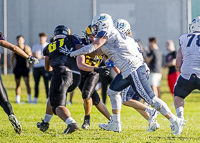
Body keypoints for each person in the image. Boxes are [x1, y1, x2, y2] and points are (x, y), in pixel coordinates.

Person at [69, 13, 185, 135]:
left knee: (151, 99)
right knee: (113, 91)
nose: (95, 30)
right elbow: (94, 53)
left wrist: (72, 53)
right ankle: (115, 123)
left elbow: (93, 48)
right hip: (127, 69)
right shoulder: (114, 37)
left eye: (97, 26)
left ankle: (175, 120)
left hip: (133, 68)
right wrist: (79, 50)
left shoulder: (108, 32)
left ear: (103, 24)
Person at [113, 18, 160, 132]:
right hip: (141, 69)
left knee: (125, 99)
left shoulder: (123, 41)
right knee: (135, 102)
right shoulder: (130, 40)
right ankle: (152, 122)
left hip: (133, 71)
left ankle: (152, 111)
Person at [37, 25, 82, 134]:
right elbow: (81, 50)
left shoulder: (49, 46)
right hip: (76, 76)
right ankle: (45, 123)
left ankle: (71, 123)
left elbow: (47, 68)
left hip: (62, 74)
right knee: (52, 98)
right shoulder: (72, 39)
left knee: (57, 105)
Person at [0, 32, 38, 134]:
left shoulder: (27, 46)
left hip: (22, 68)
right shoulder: (2, 40)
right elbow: (13, 48)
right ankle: (11, 114)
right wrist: (28, 57)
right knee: (4, 100)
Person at [76, 25, 111, 129]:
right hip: (82, 74)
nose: (93, 39)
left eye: (95, 36)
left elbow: (112, 59)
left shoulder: (103, 46)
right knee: (95, 99)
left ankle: (87, 119)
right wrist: (96, 69)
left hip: (93, 74)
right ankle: (112, 119)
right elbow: (80, 64)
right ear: (86, 36)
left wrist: (120, 73)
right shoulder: (82, 44)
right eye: (91, 36)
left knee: (86, 95)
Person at [173, 16, 200, 127]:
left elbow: (178, 63)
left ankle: (180, 119)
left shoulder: (184, 38)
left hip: (186, 74)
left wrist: (183, 72)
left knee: (178, 96)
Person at [10, 35, 32, 104]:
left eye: (21, 40)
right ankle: (17, 100)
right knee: (17, 84)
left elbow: (30, 58)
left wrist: (30, 67)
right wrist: (13, 67)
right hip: (17, 68)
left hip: (25, 68)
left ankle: (29, 99)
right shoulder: (15, 48)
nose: (19, 41)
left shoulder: (27, 48)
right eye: (18, 40)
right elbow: (11, 59)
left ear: (23, 40)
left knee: (27, 84)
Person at [32, 32, 49, 103]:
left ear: (45, 38)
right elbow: (32, 55)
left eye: (43, 37)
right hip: (36, 66)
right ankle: (35, 98)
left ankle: (48, 98)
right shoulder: (35, 46)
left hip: (44, 66)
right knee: (36, 83)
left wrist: (41, 57)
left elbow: (49, 56)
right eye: (40, 37)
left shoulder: (48, 45)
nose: (41, 38)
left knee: (46, 83)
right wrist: (35, 56)